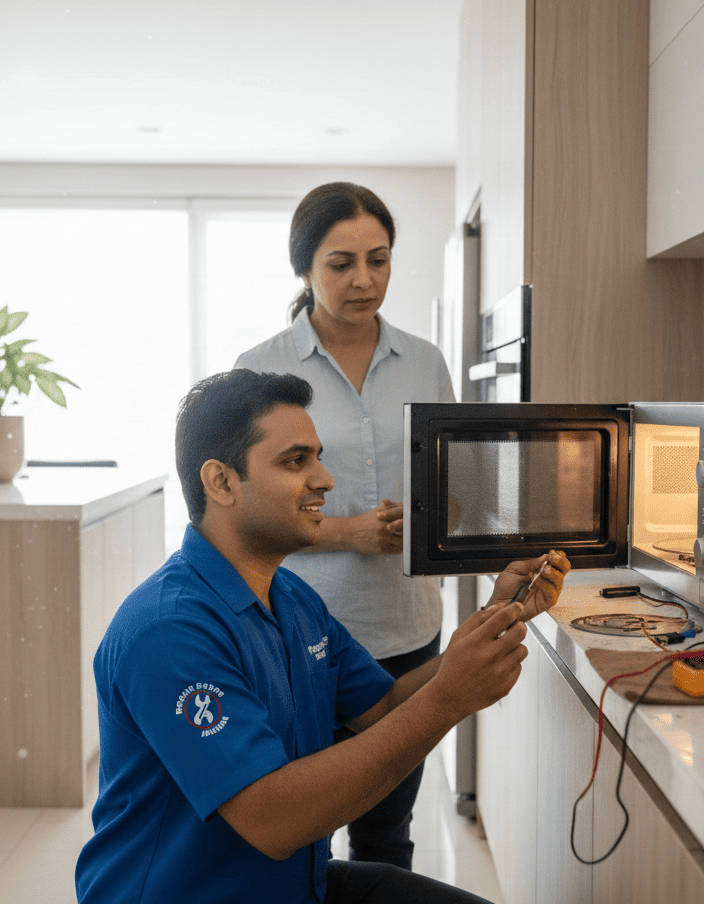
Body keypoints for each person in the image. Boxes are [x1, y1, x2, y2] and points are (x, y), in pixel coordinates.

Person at [74, 369, 571, 904]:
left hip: (293, 887)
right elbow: (276, 820)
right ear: (220, 482)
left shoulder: (291, 598)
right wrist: (449, 700)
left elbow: (383, 706)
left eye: (317, 456)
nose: (325, 479)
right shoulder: (169, 629)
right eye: (295, 461)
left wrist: (497, 617)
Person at [233, 182, 454, 869]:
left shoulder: (426, 362)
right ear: (304, 269)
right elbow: (242, 516)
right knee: (302, 836)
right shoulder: (259, 369)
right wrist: (350, 532)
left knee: (387, 834)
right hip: (297, 633)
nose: (365, 280)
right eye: (341, 263)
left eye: (379, 259)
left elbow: (450, 485)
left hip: (405, 628)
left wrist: (428, 525)